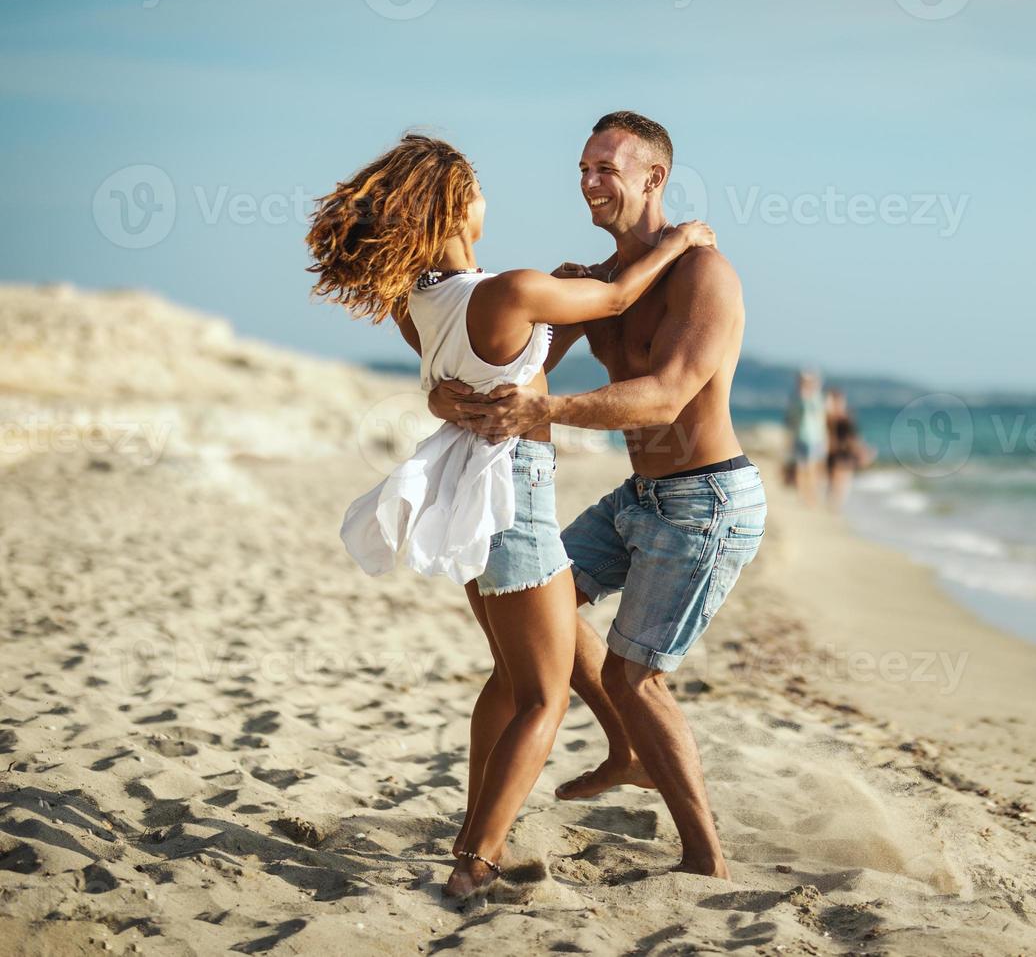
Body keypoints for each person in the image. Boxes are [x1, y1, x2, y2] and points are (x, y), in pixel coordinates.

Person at [304, 134, 714, 900]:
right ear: (459, 205)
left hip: (467, 494)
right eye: (480, 189)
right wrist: (683, 240)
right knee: (542, 697)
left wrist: (544, 312)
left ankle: (603, 762)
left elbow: (488, 371)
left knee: (535, 660)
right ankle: (476, 865)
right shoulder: (512, 291)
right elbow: (621, 298)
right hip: (513, 498)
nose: (490, 200)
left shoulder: (416, 301)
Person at [428, 111, 762, 880]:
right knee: (533, 615)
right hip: (641, 495)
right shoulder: (598, 283)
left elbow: (667, 397)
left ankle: (705, 859)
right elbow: (515, 358)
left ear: (655, 178)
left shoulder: (703, 276)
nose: (589, 181)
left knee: (628, 676)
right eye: (583, 167)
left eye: (607, 168)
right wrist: (456, 396)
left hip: (707, 500)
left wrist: (547, 412)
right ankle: (596, 767)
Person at [824, 387, 871, 509]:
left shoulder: (846, 419)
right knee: (835, 483)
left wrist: (862, 451)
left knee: (841, 483)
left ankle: (835, 507)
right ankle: (832, 507)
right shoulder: (828, 418)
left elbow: (855, 437)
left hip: (844, 454)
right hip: (833, 454)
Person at [786, 370, 827, 505]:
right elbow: (792, 419)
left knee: (811, 468)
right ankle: (804, 494)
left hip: (815, 437)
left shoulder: (815, 397)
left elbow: (821, 418)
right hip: (803, 436)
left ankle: (809, 494)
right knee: (803, 467)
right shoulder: (799, 397)